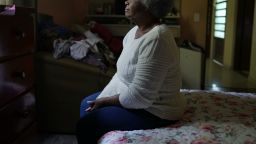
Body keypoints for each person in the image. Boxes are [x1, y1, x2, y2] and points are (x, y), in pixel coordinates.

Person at [76, 0, 187, 143]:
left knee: (86, 125)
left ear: (149, 5)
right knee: (86, 104)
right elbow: (121, 74)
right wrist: (103, 98)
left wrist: (105, 101)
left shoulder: (157, 38)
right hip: (135, 99)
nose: (126, 1)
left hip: (155, 110)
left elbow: (140, 96)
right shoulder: (134, 31)